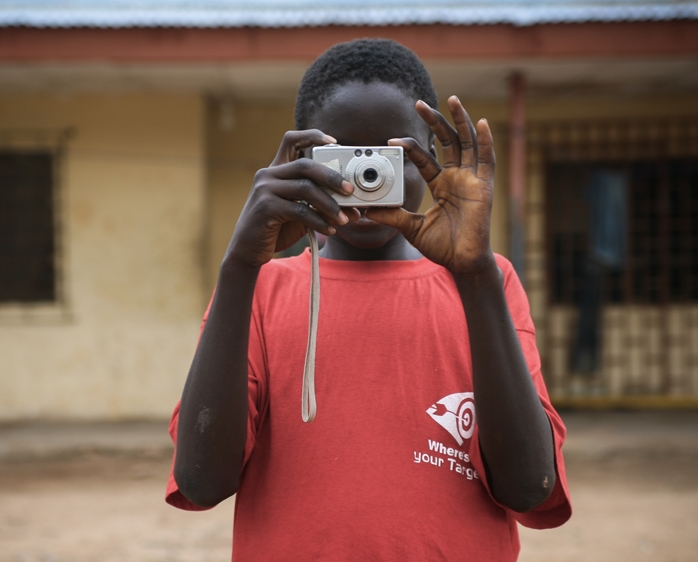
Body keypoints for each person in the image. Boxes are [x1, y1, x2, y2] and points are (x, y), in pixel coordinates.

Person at [166, 38, 571, 560]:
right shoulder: (260, 289)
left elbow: (529, 485)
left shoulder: (485, 283)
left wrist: (475, 273)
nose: (364, 179)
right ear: (300, 159)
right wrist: (240, 265)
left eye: (390, 155)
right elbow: (200, 480)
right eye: (343, 158)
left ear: (430, 152)